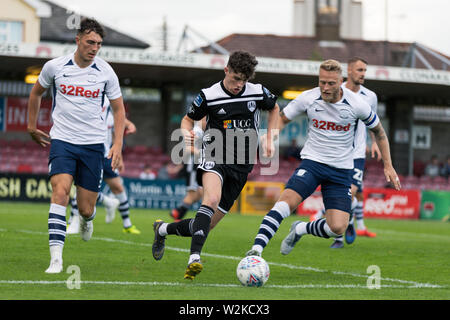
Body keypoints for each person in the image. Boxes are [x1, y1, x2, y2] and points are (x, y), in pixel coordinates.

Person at [246, 59, 401, 258]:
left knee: (337, 228)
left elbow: (379, 132)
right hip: (312, 163)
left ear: (341, 81)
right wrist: (270, 137)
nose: (325, 88)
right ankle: (256, 251)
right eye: (322, 82)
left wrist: (388, 165)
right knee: (286, 202)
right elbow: (283, 118)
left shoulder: (357, 104)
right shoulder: (308, 98)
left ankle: (301, 229)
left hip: (341, 170)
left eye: (331, 83)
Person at [152, 50, 280, 280]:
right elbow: (187, 119)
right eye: (235, 79)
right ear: (226, 70)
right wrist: (186, 134)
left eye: (243, 80)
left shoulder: (257, 92)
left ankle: (162, 229)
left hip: (242, 165)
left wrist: (270, 137)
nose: (238, 85)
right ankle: (194, 258)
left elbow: (275, 108)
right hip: (214, 155)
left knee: (205, 226)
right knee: (210, 200)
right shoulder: (208, 96)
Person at [27, 18, 126, 274]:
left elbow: (118, 109)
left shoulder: (106, 72)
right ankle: (56, 259)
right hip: (62, 141)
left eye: (99, 44)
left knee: (86, 207)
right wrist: (30, 126)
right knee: (60, 192)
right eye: (90, 42)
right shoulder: (55, 67)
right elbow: (36, 93)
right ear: (78, 40)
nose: (94, 48)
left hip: (93, 146)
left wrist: (117, 144)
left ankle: (87, 219)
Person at [67, 100, 141, 235]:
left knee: (118, 187)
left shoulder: (109, 109)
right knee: (82, 186)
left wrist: (120, 158)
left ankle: (127, 224)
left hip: (107, 155)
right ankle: (73, 221)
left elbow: (117, 126)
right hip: (91, 153)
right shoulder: (87, 107)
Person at [169, 120, 205, 222]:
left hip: (198, 166)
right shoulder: (196, 131)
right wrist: (201, 152)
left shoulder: (205, 130)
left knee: (199, 194)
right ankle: (178, 216)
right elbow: (188, 149)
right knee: (193, 194)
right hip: (193, 167)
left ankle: (177, 211)